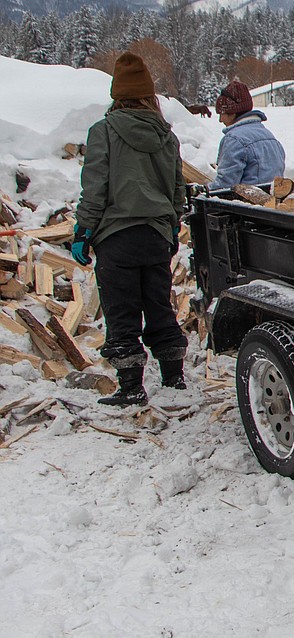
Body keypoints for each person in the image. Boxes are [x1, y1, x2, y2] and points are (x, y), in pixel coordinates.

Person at [72, 51, 188, 405]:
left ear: (117, 94)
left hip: (117, 237)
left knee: (121, 310)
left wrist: (83, 230)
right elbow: (177, 189)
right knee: (158, 305)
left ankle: (131, 387)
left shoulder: (104, 131)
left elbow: (95, 187)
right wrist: (170, 228)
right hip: (155, 235)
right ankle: (174, 380)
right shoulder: (166, 135)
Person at [210, 80, 286, 191]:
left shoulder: (234, 139)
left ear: (232, 113)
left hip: (246, 204)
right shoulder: (269, 135)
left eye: (221, 114)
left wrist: (204, 191)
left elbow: (225, 185)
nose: (220, 120)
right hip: (272, 202)